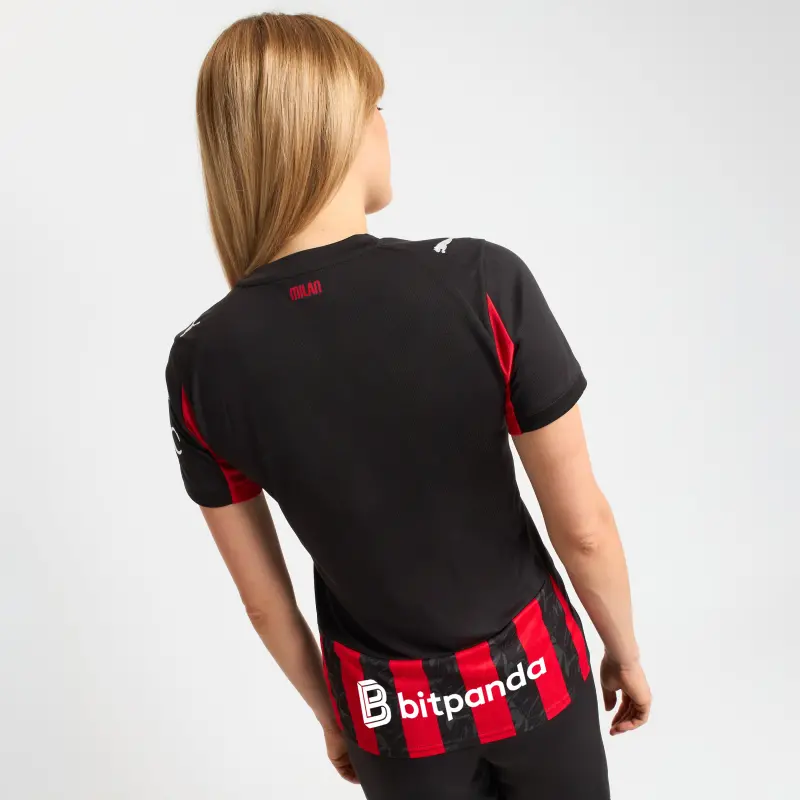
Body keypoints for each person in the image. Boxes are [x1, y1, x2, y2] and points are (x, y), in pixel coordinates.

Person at [165, 12, 652, 799]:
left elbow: (263, 603)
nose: (386, 129)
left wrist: (332, 716)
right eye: (377, 108)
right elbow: (584, 529)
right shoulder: (480, 281)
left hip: (391, 719)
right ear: (337, 130)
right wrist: (623, 650)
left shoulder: (201, 363)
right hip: (537, 679)